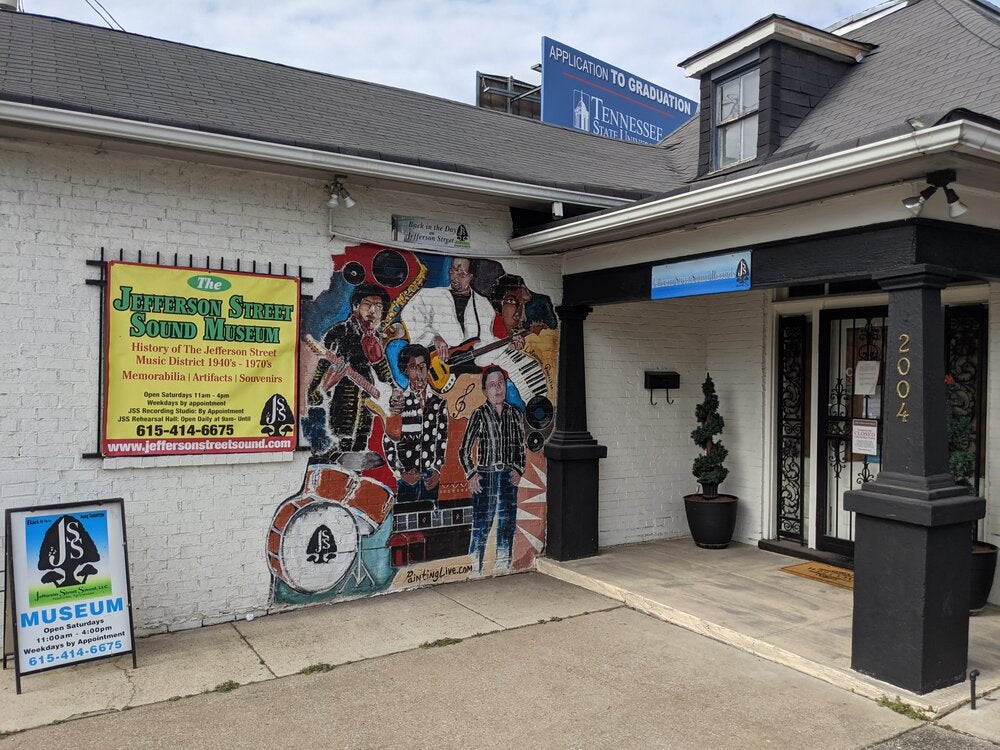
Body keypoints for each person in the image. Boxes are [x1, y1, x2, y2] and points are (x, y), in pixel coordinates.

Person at [307, 283, 396, 468]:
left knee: (360, 457)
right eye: (367, 304)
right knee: (341, 455)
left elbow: (384, 376)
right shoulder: (339, 333)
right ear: (356, 306)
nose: (373, 311)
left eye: (378, 307)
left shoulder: (374, 340)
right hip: (343, 406)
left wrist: (392, 393)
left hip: (368, 407)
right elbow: (316, 382)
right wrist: (324, 386)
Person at [459, 365, 526, 572]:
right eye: (492, 385)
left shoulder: (514, 414)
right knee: (481, 525)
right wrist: (471, 473)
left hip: (507, 476)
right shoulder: (478, 414)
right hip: (485, 476)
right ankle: (475, 568)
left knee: (506, 524)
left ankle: (503, 567)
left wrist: (518, 469)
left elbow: (520, 446)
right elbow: (464, 449)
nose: (497, 389)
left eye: (500, 384)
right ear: (485, 391)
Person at [401, 257, 499, 370]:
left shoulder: (484, 306)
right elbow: (409, 318)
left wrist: (507, 346)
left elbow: (486, 344)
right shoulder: (428, 296)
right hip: (436, 369)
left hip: (469, 374)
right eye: (453, 271)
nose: (455, 277)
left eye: (461, 273)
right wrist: (434, 337)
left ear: (471, 277)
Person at [382, 343, 448, 505]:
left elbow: (441, 439)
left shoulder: (438, 403)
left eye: (422, 366)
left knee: (430, 519)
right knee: (406, 520)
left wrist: (436, 470)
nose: (419, 373)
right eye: (413, 367)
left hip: (429, 477)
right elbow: (389, 439)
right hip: (407, 476)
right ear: (406, 370)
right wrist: (400, 473)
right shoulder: (399, 402)